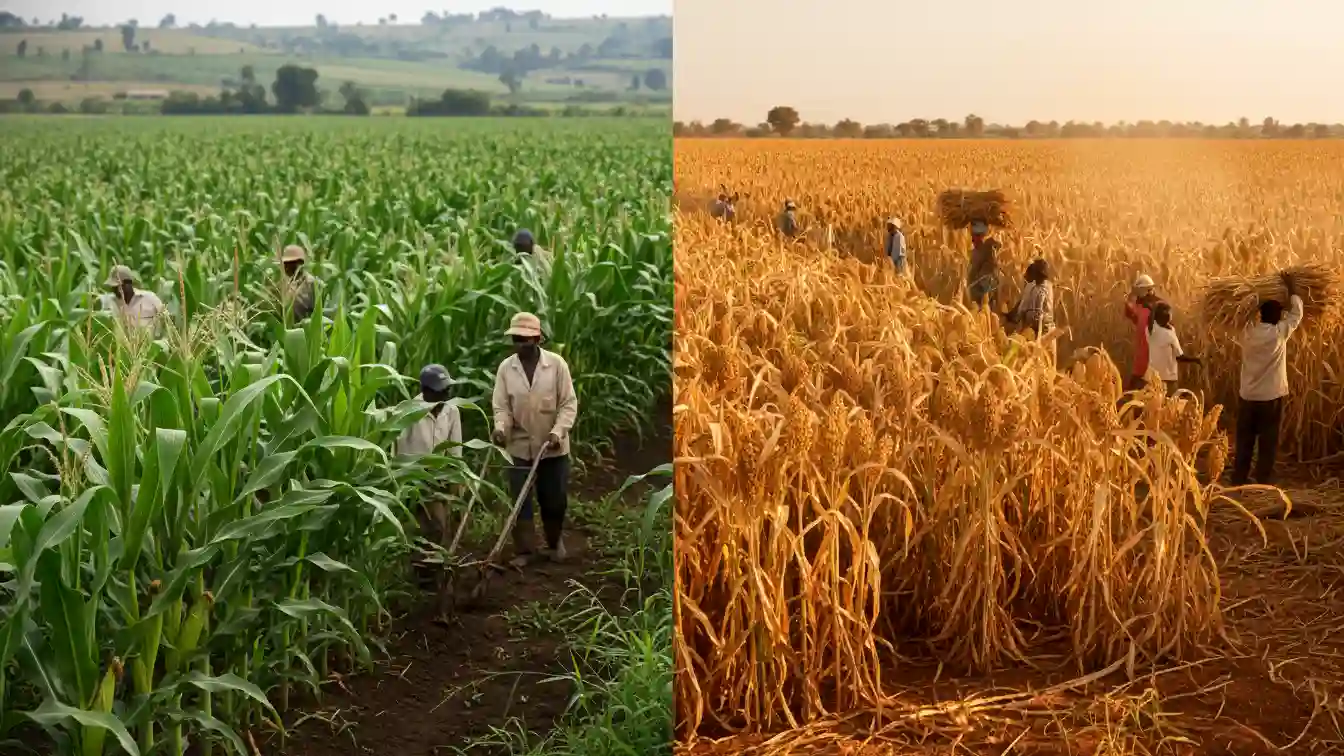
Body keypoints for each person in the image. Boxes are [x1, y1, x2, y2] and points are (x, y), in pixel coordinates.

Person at [491, 312, 579, 566]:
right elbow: (502, 407)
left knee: (554, 499)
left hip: (552, 446)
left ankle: (554, 542)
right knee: (520, 500)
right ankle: (525, 551)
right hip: (518, 445)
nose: (521, 344)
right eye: (517, 339)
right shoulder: (506, 369)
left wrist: (558, 431)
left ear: (538, 339)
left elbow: (568, 404)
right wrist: (501, 429)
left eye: (526, 339)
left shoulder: (556, 365)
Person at [1232, 273, 1303, 486]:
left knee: (1244, 440)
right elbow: (1297, 313)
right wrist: (1292, 288)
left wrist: (1251, 299)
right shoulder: (1279, 333)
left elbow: (1240, 315)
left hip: (1248, 396)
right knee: (1268, 441)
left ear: (1260, 315)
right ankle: (1263, 479)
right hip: (1271, 397)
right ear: (1275, 317)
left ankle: (1238, 478)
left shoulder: (1247, 333)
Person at [396, 364, 463, 545]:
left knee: (439, 524)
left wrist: (456, 477)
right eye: (440, 391)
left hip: (441, 477)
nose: (445, 395)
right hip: (414, 478)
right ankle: (421, 565)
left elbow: (455, 448)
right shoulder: (408, 412)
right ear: (425, 391)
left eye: (447, 390)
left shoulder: (452, 412)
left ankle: (435, 564)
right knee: (418, 526)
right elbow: (400, 449)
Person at [1146, 302, 1201, 395]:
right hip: (1168, 378)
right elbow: (1180, 357)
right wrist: (1196, 360)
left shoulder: (1149, 329)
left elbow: (1152, 321)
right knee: (1170, 405)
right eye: (1170, 313)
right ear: (1167, 316)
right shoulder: (1169, 334)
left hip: (1153, 376)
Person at [1122, 274, 1161, 390]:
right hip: (1143, 362)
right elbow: (1133, 316)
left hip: (1148, 364)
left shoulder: (1155, 309)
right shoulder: (1143, 308)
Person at [100, 265, 165, 331]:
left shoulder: (150, 298)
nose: (114, 290)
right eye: (112, 287)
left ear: (128, 284)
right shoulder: (107, 301)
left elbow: (166, 321)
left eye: (117, 287)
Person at [1009, 258, 1054, 335]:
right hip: (1032, 327)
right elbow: (1022, 305)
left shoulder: (1044, 288)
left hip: (1041, 329)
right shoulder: (1033, 286)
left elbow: (1037, 313)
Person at [966, 219, 1001, 309]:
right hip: (974, 286)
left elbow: (993, 267)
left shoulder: (988, 248)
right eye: (973, 236)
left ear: (981, 236)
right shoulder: (974, 252)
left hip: (985, 286)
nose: (973, 240)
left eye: (976, 236)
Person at [278, 245, 317, 323]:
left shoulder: (311, 283)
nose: (286, 267)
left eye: (290, 263)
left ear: (300, 263)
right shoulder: (282, 283)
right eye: (285, 263)